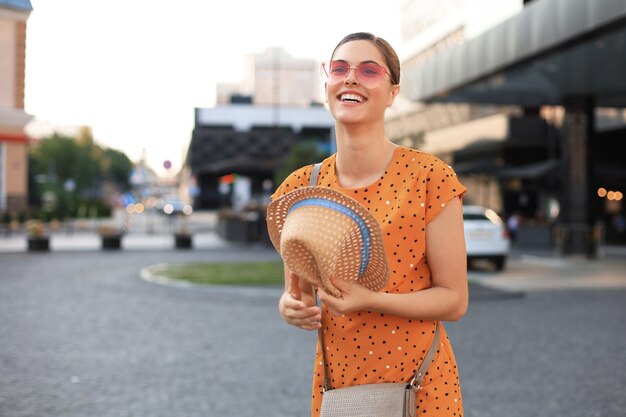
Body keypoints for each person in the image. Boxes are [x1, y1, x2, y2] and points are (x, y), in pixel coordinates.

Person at [270, 32, 468, 417]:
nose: (350, 78)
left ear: (393, 92)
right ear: (326, 82)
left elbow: (455, 299)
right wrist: (290, 306)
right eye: (340, 68)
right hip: (340, 389)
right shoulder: (300, 188)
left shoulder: (430, 177)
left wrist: (372, 299)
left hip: (422, 387)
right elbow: (300, 294)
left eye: (369, 71)